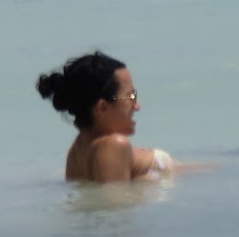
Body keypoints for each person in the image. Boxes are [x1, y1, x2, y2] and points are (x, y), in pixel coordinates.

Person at [36, 51, 173, 182]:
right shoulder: (115, 145)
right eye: (131, 96)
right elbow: (114, 198)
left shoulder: (78, 150)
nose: (137, 106)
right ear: (103, 107)